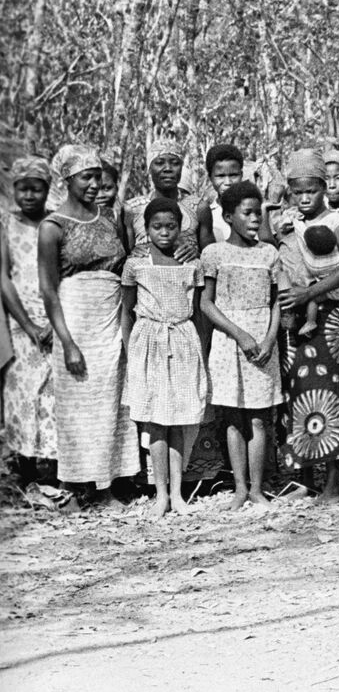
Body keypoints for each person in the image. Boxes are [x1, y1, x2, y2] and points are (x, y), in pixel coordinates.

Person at [38, 146, 138, 508]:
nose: (95, 184)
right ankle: (81, 487)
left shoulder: (110, 216)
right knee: (80, 407)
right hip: (76, 320)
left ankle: (110, 485)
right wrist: (67, 342)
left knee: (112, 402)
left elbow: (125, 267)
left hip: (110, 317)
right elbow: (49, 289)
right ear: (67, 180)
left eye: (98, 175)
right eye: (86, 177)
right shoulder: (52, 227)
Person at [275, 148, 339, 501]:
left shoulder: (335, 223)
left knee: (328, 394)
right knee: (299, 394)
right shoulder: (295, 223)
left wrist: (310, 291)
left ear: (325, 187)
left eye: (311, 190)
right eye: (297, 192)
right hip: (298, 322)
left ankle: (332, 481)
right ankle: (306, 479)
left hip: (328, 322)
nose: (304, 197)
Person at [121, 198, 209, 517]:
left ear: (180, 228)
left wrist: (201, 350)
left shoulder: (192, 264)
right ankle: (160, 494)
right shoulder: (136, 265)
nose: (164, 233)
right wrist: (131, 353)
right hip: (149, 344)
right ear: (146, 230)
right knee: (157, 421)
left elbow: (199, 314)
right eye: (157, 227)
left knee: (180, 421)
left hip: (184, 342)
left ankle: (178, 493)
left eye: (171, 226)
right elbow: (126, 312)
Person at [200, 181, 282, 512]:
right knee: (233, 418)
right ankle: (239, 488)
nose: (253, 220)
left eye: (257, 214)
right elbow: (206, 303)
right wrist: (239, 334)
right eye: (246, 214)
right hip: (228, 342)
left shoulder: (269, 253)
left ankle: (258, 489)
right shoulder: (214, 254)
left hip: (262, 340)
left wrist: (269, 338)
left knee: (260, 419)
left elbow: (277, 302)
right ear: (229, 216)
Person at [1, 157, 57, 477]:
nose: (30, 196)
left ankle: (55, 463)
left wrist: (52, 322)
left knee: (54, 391)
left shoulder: (56, 222)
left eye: (37, 189)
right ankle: (25, 469)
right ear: (14, 189)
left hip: (55, 316)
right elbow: (4, 278)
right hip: (20, 319)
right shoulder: (6, 223)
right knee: (22, 388)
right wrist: (28, 325)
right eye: (23, 189)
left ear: (48, 190)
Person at [123, 139, 201, 260]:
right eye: (159, 163)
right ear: (149, 169)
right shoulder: (132, 208)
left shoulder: (198, 207)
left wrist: (196, 253)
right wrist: (133, 252)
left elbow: (210, 255)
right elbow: (125, 253)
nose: (168, 169)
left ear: (181, 168)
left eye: (175, 163)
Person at [282, 224, 339, 338]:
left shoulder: (315, 264)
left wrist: (297, 223)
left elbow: (304, 250)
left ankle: (310, 322)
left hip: (336, 291)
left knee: (312, 298)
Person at [196, 144, 246, 246]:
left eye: (233, 175)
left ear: (241, 175)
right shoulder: (206, 214)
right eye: (220, 176)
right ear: (210, 177)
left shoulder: (256, 211)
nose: (228, 182)